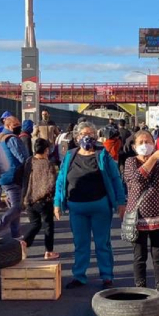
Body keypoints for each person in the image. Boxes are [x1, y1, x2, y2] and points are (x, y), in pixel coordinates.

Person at [54, 121, 126, 288]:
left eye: (91, 134)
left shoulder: (103, 155)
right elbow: (61, 180)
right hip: (76, 208)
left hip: (100, 206)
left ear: (96, 136)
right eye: (83, 134)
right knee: (80, 244)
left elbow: (115, 179)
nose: (87, 137)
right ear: (77, 137)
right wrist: (57, 202)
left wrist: (121, 202)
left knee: (103, 243)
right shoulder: (70, 156)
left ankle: (107, 275)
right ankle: (79, 276)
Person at [124, 130, 159, 293]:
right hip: (138, 217)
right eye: (141, 142)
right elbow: (137, 178)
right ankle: (140, 288)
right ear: (134, 146)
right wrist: (154, 158)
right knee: (139, 256)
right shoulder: (130, 162)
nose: (145, 145)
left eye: (149, 141)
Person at [21, 138, 59, 260]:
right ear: (46, 150)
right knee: (48, 225)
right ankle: (49, 251)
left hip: (28, 199)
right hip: (43, 200)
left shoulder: (29, 161)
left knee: (35, 224)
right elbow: (52, 183)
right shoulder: (48, 164)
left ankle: (24, 242)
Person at [0, 115, 31, 239]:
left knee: (14, 205)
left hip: (1, 176)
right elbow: (23, 158)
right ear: (9, 126)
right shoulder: (12, 139)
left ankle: (16, 235)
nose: (18, 128)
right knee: (18, 206)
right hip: (13, 176)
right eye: (16, 126)